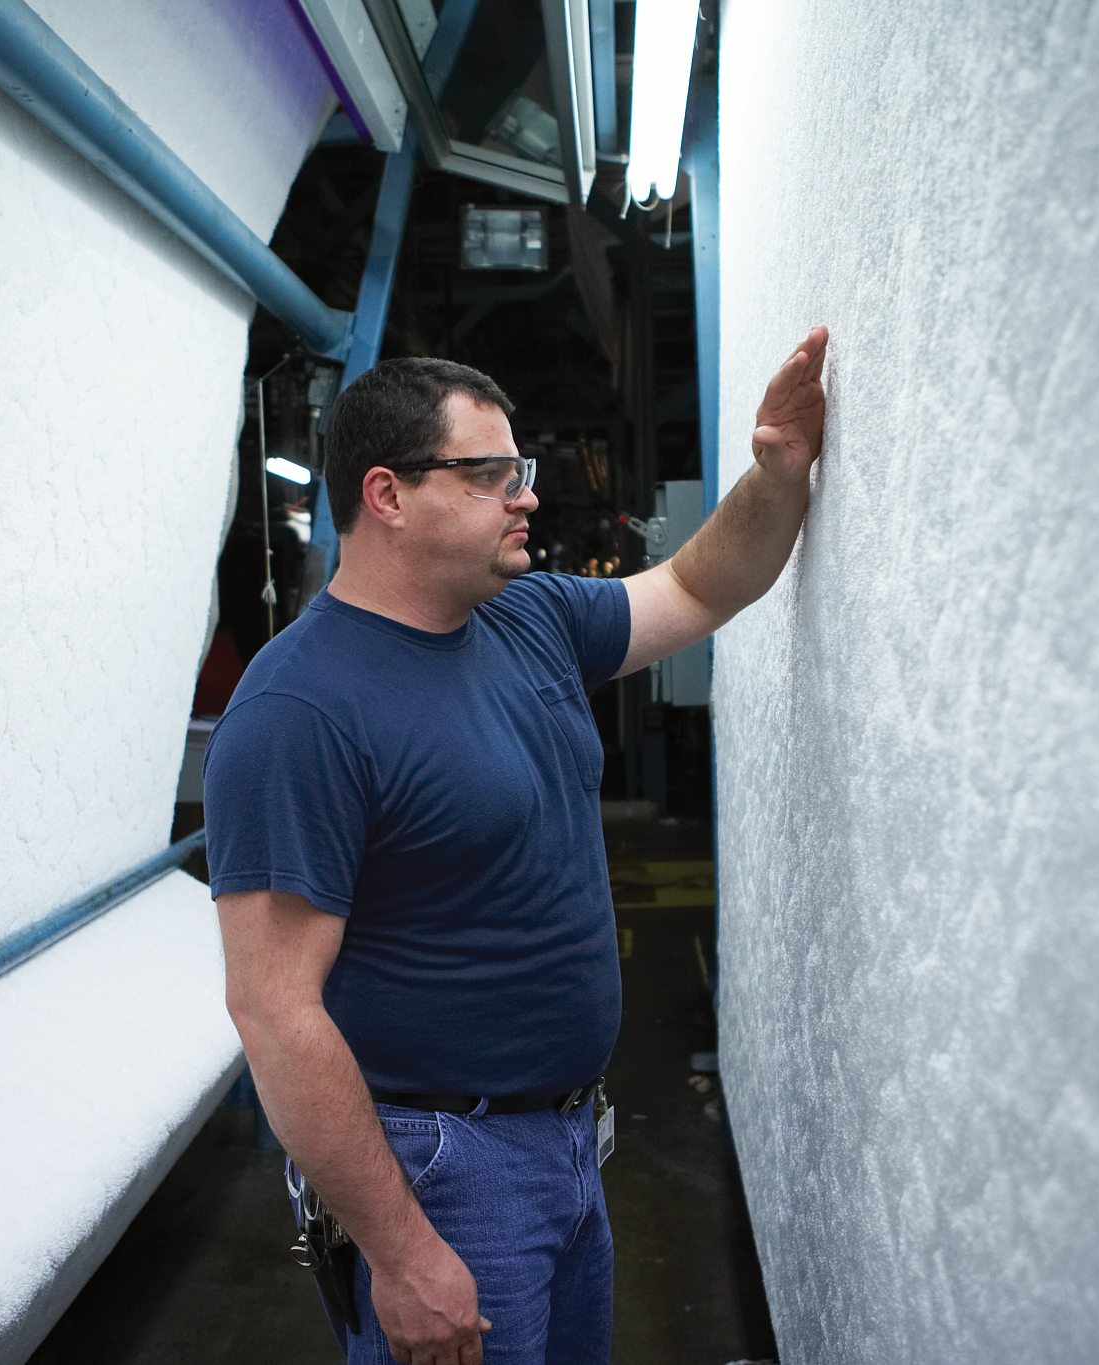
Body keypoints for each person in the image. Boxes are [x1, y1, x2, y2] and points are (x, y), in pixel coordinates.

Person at [204, 327, 829, 1365]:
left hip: (566, 1143)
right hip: (439, 1173)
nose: (524, 496)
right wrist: (400, 1254)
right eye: (491, 474)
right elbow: (272, 1010)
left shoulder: (528, 619)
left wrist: (775, 475)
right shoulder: (298, 712)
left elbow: (698, 588)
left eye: (520, 471)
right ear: (388, 496)